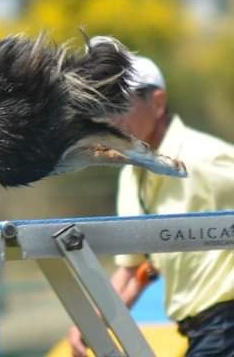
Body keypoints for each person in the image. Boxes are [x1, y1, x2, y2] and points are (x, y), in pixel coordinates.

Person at [68, 37, 234, 357]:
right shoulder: (131, 175)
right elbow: (134, 271)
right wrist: (89, 323)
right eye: (105, 105)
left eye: (122, 103)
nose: (111, 116)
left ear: (157, 102)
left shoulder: (204, 159)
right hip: (202, 331)